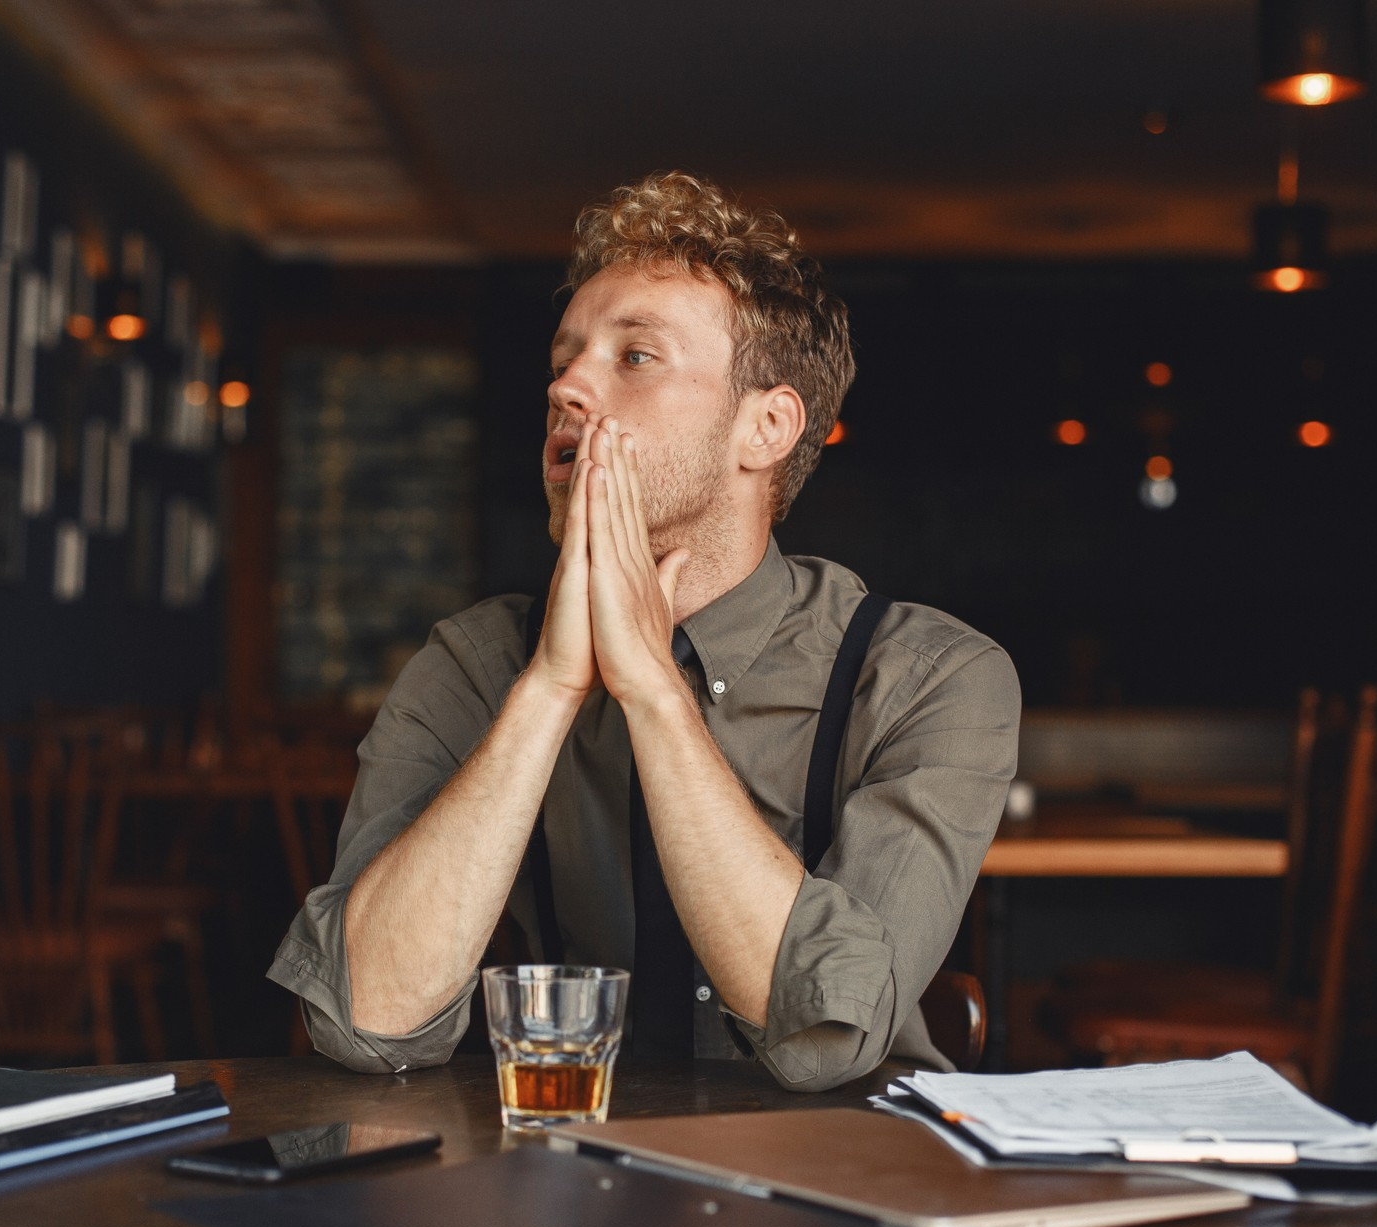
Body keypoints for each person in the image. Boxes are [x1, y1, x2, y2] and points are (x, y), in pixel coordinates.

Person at [269, 171, 1019, 1091]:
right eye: (567, 353)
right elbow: (362, 1018)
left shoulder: (932, 677)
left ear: (766, 427)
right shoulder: (473, 663)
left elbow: (826, 1040)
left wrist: (655, 693)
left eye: (633, 358)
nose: (567, 385)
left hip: (847, 1182)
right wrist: (548, 691)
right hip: (557, 1183)